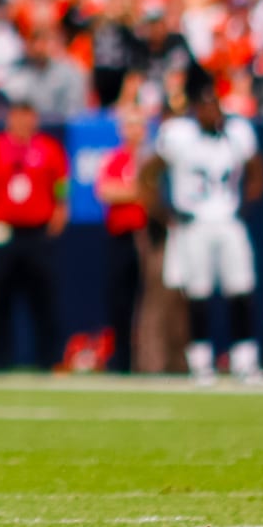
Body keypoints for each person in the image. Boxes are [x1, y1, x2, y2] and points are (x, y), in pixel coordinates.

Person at [150, 89, 263, 385]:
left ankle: (245, 360)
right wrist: (166, 213)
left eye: (215, 107)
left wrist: (243, 207)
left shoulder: (237, 134)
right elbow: (147, 173)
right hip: (194, 224)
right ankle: (200, 362)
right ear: (196, 110)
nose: (211, 113)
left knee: (241, 289)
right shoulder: (179, 137)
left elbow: (256, 170)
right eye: (205, 107)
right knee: (197, 293)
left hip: (227, 221)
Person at [0, 101, 69, 371]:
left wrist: (57, 220)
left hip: (37, 232)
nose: (24, 123)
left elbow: (61, 190)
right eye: (19, 117)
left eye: (29, 117)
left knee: (43, 300)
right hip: (2, 231)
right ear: (10, 119)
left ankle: (48, 360)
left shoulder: (49, 149)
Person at [94, 108, 152, 373]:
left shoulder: (151, 159)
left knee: (150, 301)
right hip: (121, 235)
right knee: (120, 301)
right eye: (129, 125)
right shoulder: (112, 158)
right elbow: (106, 191)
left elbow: (154, 196)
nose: (133, 131)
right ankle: (122, 362)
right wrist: (136, 192)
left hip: (149, 237)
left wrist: (130, 192)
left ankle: (150, 360)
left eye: (138, 125)